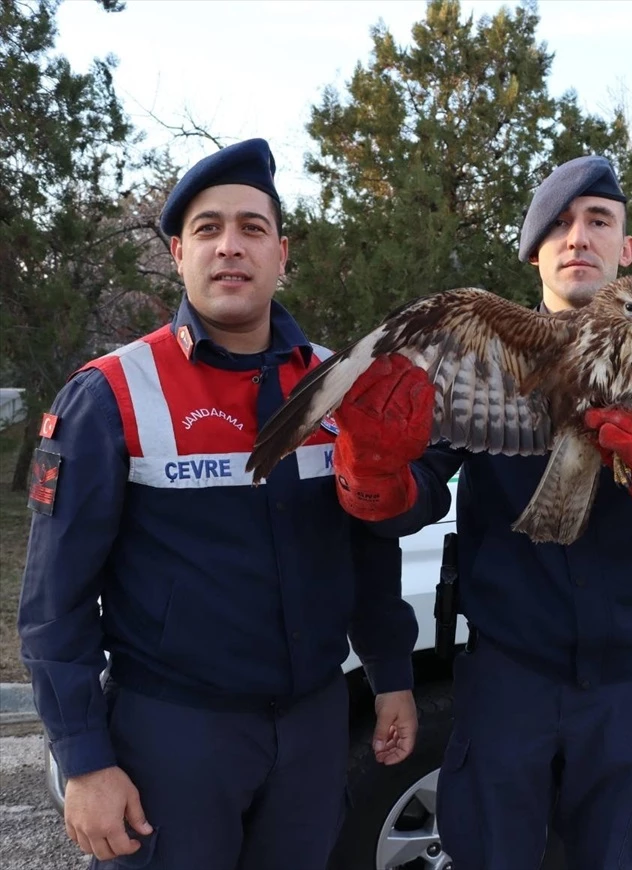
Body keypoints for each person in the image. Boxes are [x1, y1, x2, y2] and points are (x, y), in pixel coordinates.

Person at [328, 155, 632, 868]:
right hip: (511, 682)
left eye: (598, 222)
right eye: (559, 226)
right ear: (535, 253)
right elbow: (407, 499)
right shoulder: (491, 350)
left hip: (631, 688)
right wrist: (369, 470)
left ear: (626, 250)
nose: (578, 237)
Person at [17, 138, 421, 870]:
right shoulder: (110, 395)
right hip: (173, 737)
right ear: (178, 253)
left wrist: (391, 672)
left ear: (282, 253)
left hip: (313, 728)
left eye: (252, 228)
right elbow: (54, 602)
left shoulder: (343, 384)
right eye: (208, 229)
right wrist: (83, 760)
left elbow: (368, 546)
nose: (230, 247)